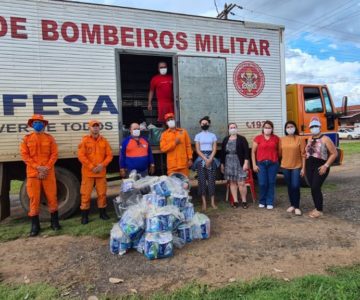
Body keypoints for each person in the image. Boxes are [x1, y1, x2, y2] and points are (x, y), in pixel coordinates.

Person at [20, 114, 61, 237]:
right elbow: (25, 156)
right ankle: (35, 226)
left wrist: (46, 167)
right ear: (32, 124)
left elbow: (54, 154)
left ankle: (54, 223)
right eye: (36, 122)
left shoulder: (50, 138)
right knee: (34, 199)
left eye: (40, 122)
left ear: (44, 125)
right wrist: (38, 167)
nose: (38, 124)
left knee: (52, 197)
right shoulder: (26, 139)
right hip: (33, 174)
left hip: (48, 172)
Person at [78, 120, 113, 224]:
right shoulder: (84, 141)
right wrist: (91, 167)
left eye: (97, 126)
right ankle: (84, 216)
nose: (96, 128)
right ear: (90, 128)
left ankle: (102, 213)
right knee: (86, 194)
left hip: (100, 172)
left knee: (102, 194)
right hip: (88, 173)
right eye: (94, 126)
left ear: (99, 128)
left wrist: (102, 165)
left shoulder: (104, 141)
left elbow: (109, 155)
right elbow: (81, 155)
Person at [305, 117, 337, 218]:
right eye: (312, 126)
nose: (314, 128)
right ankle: (316, 207)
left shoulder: (325, 139)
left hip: (321, 166)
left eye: (316, 126)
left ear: (320, 126)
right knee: (313, 187)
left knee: (315, 186)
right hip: (310, 166)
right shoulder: (310, 138)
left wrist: (326, 166)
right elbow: (309, 151)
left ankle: (319, 210)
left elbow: (334, 153)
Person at [221, 123, 250, 209]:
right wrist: (222, 164)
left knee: (241, 182)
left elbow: (246, 152)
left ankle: (244, 201)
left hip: (239, 162)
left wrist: (246, 163)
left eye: (234, 127)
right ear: (228, 129)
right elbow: (223, 153)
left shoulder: (242, 139)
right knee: (232, 183)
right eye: (231, 127)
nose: (233, 129)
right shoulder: (225, 139)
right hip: (228, 162)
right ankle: (235, 201)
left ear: (237, 128)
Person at [252, 120, 280, 209]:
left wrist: (276, 159)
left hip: (273, 164)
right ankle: (262, 201)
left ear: (272, 129)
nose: (267, 129)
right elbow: (253, 152)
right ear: (263, 128)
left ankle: (270, 202)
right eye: (266, 127)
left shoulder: (276, 138)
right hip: (261, 164)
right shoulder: (258, 138)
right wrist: (254, 165)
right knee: (262, 183)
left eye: (269, 128)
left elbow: (279, 151)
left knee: (271, 183)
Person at [279, 121, 306, 216]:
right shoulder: (281, 139)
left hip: (296, 166)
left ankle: (297, 206)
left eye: (292, 126)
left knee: (295, 186)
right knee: (290, 186)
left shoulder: (300, 139)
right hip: (285, 166)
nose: (290, 128)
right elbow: (280, 153)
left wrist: (303, 168)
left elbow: (303, 154)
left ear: (295, 128)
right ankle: (292, 205)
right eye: (288, 127)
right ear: (285, 129)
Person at [194, 116, 218, 210]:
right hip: (201, 158)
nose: (204, 124)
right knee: (202, 180)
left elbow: (214, 148)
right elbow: (197, 149)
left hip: (211, 157)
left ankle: (212, 202)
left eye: (206, 123)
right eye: (202, 123)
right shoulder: (198, 136)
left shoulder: (213, 135)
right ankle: (204, 202)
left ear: (209, 124)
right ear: (200, 124)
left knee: (212, 180)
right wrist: (205, 159)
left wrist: (210, 158)